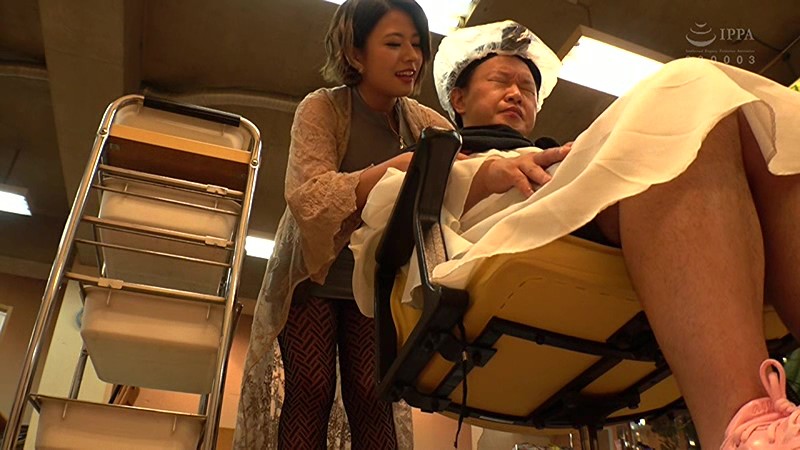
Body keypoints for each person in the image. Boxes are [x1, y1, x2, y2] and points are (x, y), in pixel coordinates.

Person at [351, 20, 800, 450]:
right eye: (500, 81)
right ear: (459, 98)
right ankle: (750, 429)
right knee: (683, 87)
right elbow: (372, 204)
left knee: (744, 115)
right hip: (502, 236)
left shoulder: (559, 152)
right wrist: (489, 173)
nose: (516, 93)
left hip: (586, 208)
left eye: (528, 88)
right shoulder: (438, 157)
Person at [234, 1, 452, 449]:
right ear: (355, 54)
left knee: (373, 396)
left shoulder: (425, 124)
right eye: (394, 43)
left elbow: (467, 163)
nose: (411, 57)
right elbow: (309, 196)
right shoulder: (323, 108)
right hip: (314, 276)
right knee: (311, 390)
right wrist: (395, 168)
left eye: (417, 45)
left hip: (375, 284)